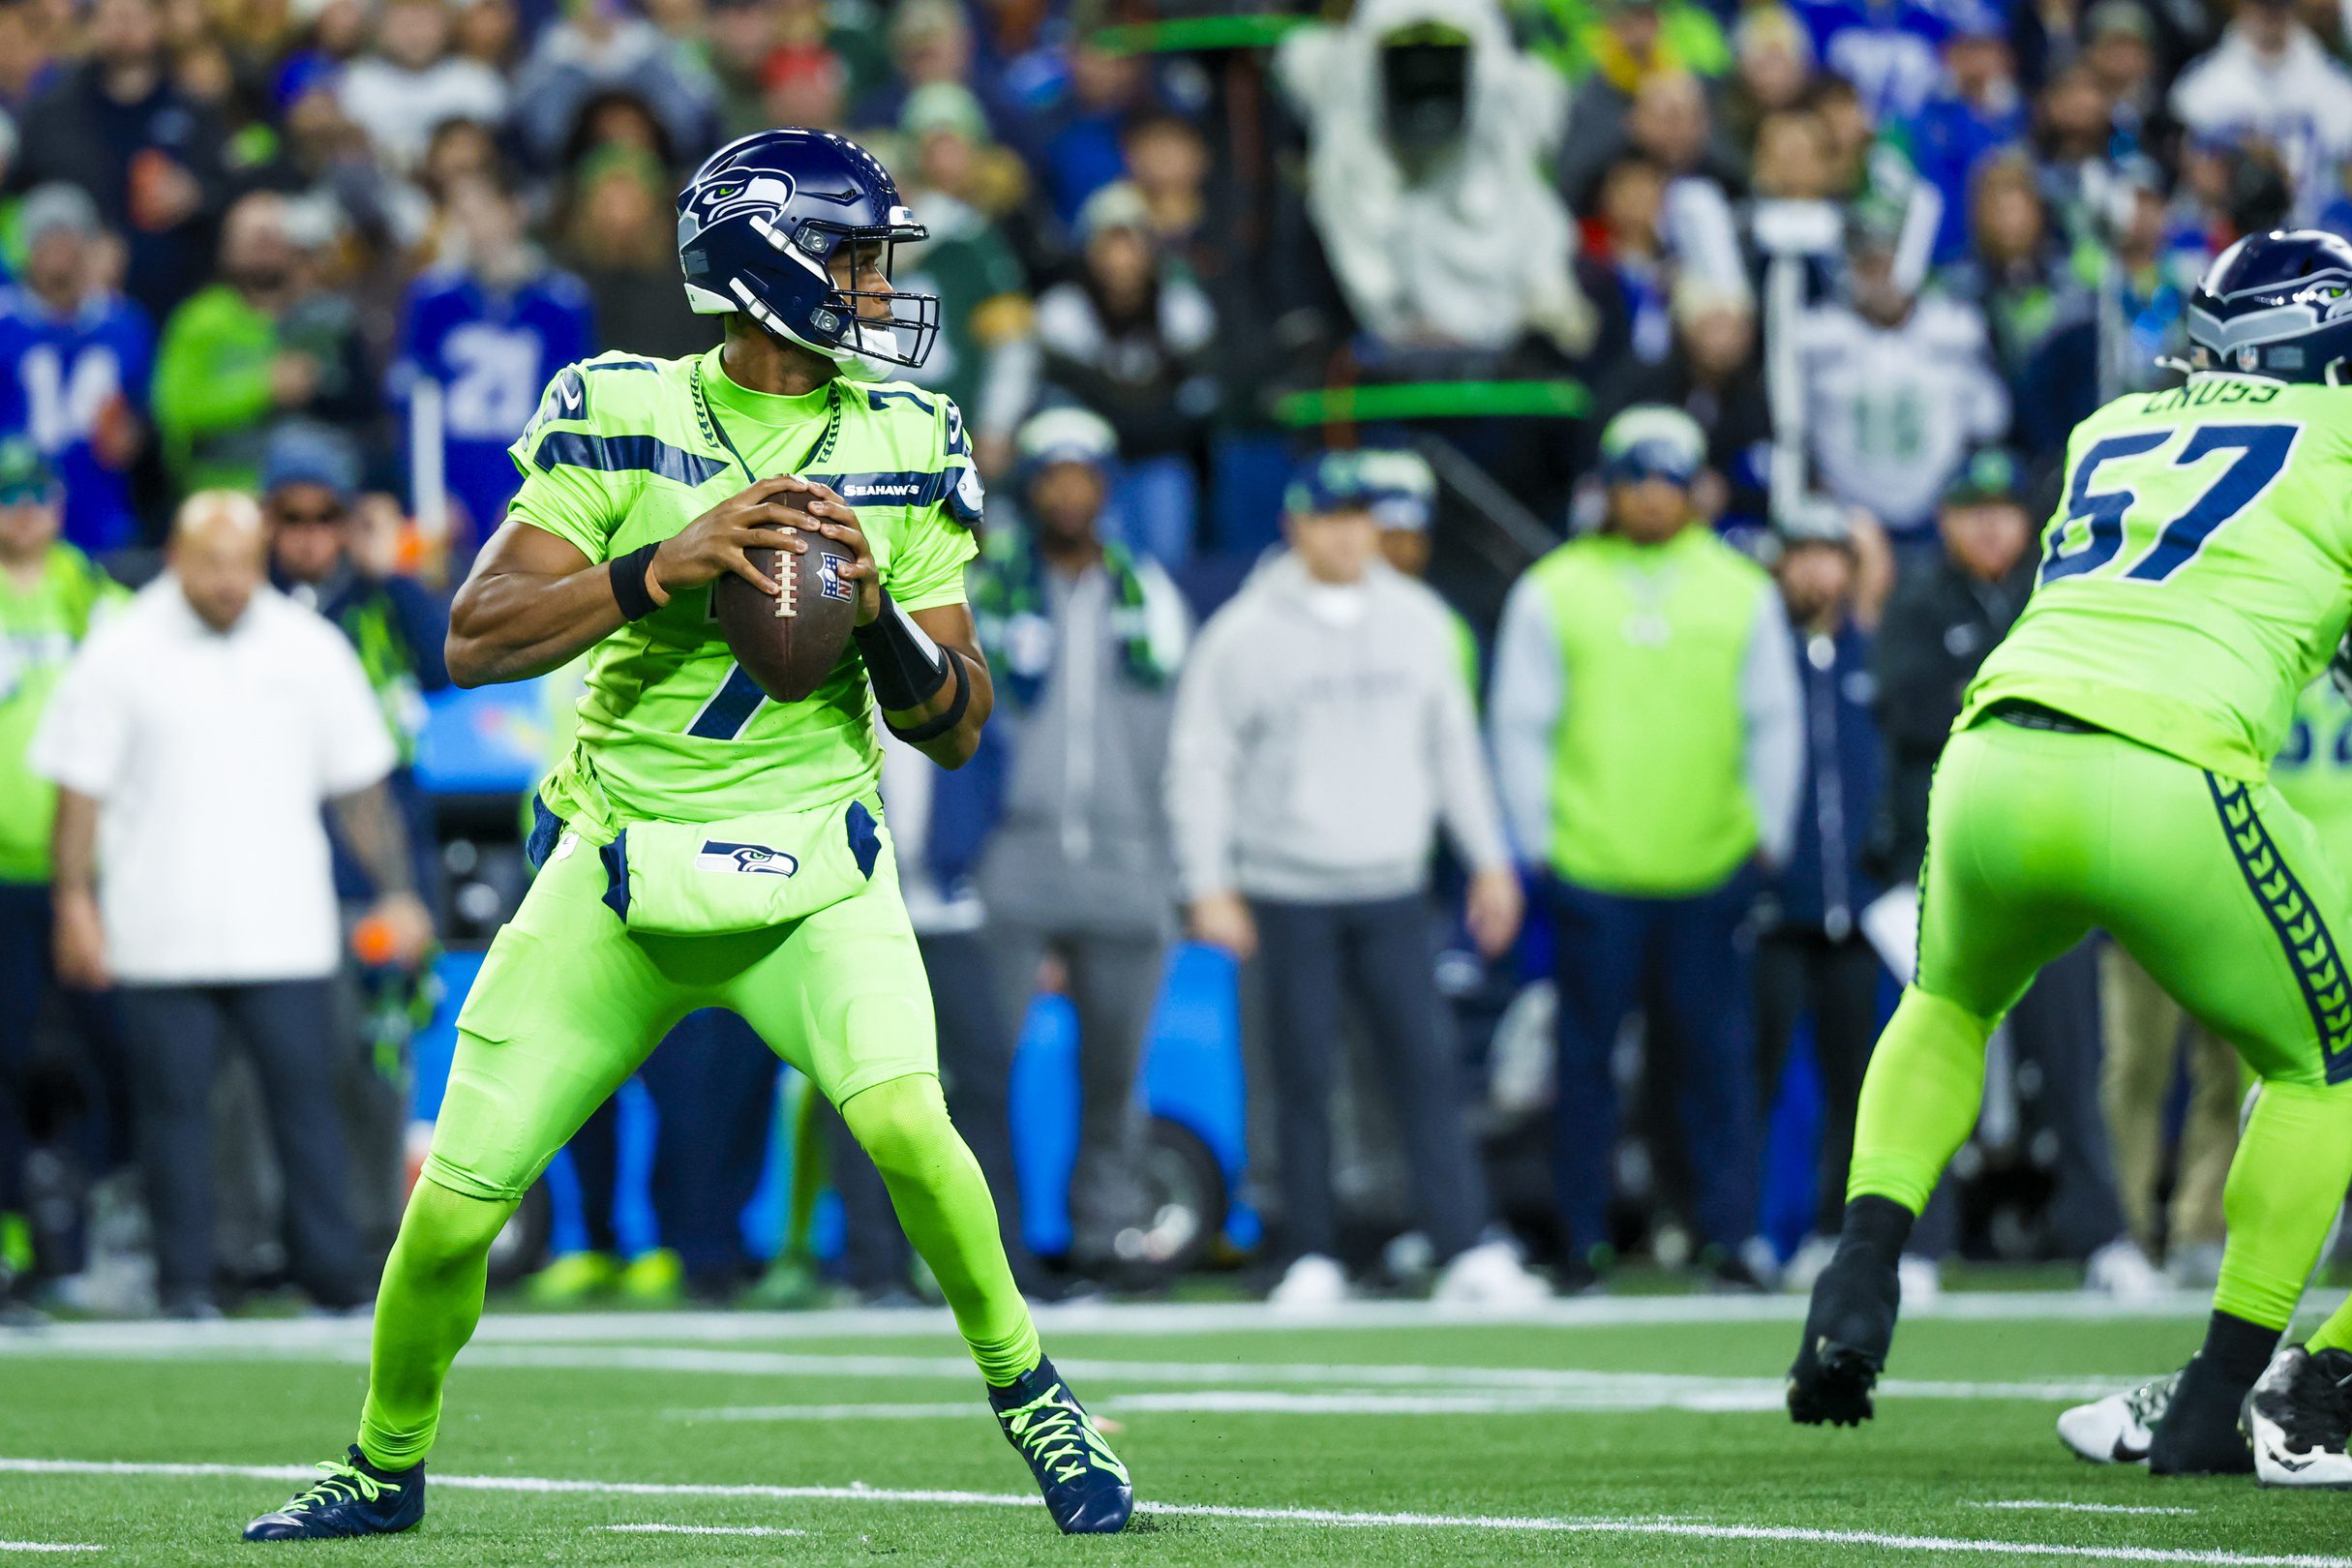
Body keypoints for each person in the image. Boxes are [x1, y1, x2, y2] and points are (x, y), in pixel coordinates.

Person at [241, 129, 1133, 1542]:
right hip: (620, 866)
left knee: (908, 1118)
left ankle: (1039, 1402)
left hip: (813, 868)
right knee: (461, 1204)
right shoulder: (621, 407)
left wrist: (880, 612)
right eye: (850, 255)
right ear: (764, 263)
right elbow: (474, 638)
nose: (873, 283)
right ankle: (380, 1460)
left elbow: (954, 726)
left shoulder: (910, 439)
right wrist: (665, 560)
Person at [1785, 232, 2352, 1487]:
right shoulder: (2341, 441)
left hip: (1989, 764)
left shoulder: (2108, 431)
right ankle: (2233, 1397)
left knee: (1944, 1006)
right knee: (2329, 1072)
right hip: (2168, 774)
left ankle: (1863, 1264)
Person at [30, 490, 430, 1319]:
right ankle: (189, 1281)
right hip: (157, 929)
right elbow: (79, 791)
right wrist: (75, 901)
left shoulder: (309, 648)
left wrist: (398, 890)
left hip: (286, 927)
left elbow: (360, 788)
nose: (228, 582)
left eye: (243, 564)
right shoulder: (120, 649)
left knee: (311, 1108)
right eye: (211, 564)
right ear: (176, 557)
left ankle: (332, 1274)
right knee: (175, 1120)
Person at [1169, 450, 1545, 1309]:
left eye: (1360, 519)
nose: (1348, 536)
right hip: (1286, 885)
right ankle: (1307, 1252)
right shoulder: (1244, 632)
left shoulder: (1418, 620)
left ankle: (1463, 1244)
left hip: (1390, 884)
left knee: (1426, 1069)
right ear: (1296, 524)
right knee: (1299, 1078)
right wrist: (1209, 883)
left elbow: (1455, 751)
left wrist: (1491, 860)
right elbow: (1200, 765)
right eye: (1331, 519)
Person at [1490, 405, 1802, 1291]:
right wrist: (1538, 844)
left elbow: (1772, 720)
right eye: (1638, 481)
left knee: (1713, 1064)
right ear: (1611, 489)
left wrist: (1768, 835)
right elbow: (1520, 724)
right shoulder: (1556, 587)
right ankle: (1581, 1238)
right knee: (1583, 1069)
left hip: (1710, 863)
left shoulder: (1739, 587)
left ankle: (1726, 1236)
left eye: (1670, 482)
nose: (1654, 500)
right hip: (1593, 866)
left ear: (1696, 490)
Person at [1869, 448, 2143, 1292]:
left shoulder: (2057, 592)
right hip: (1949, 866)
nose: (1990, 524)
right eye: (1971, 509)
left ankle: (2104, 1239)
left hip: (2049, 858)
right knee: (1942, 1058)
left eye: (2003, 509)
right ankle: (1917, 1244)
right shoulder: (1917, 602)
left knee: (2071, 1057)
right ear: (1945, 519)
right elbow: (1906, 709)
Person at [967, 406, 1189, 1283]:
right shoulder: (985, 593)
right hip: (1010, 861)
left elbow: (1186, 744)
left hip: (1128, 860)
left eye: (1084, 475)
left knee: (1116, 1075)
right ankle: (988, 1249)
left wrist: (1178, 867)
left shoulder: (1153, 597)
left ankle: (1107, 1235)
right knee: (980, 1070)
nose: (1068, 492)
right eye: (1052, 475)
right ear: (1031, 487)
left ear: (1107, 488)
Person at [0, 437, 124, 1318]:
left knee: (112, 1058)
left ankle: (99, 1234)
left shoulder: (99, 598)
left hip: (100, 871)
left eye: (37, 492)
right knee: (4, 1060)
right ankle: (13, 1241)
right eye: (9, 494)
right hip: (4, 871)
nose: (25, 509)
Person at [1753, 498, 1889, 1293]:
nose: (1814, 570)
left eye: (1828, 554)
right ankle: (1758, 1233)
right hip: (1779, 903)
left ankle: (1837, 1233)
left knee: (1859, 1084)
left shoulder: (1873, 652)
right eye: (1799, 554)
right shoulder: (1758, 653)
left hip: (1861, 907)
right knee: (1761, 1076)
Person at [391, 168, 594, 550]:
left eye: (483, 212)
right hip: (454, 471)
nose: (474, 228)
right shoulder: (432, 299)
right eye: (462, 216)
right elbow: (416, 404)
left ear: (514, 212)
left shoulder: (562, 301)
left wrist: (538, 493)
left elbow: (572, 410)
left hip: (522, 472)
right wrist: (431, 496)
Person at [1794, 205, 2010, 544]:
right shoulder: (1817, 336)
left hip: (1940, 513)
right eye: (1868, 266)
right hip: (1847, 518)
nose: (1881, 278)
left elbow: (1990, 420)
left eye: (1889, 263)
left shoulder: (1955, 328)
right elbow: (1792, 430)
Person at [0, 186, 153, 557]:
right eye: (47, 238)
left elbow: (145, 413)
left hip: (101, 511)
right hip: (14, 510)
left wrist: (133, 435)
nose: (59, 250)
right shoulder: (6, 320)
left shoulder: (124, 323)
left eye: (68, 237)